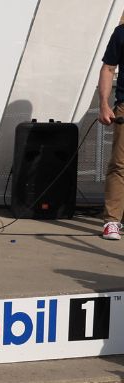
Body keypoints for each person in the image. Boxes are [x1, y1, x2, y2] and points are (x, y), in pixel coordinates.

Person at [98, 16, 124, 241]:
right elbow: (108, 68)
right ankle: (112, 221)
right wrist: (104, 104)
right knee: (120, 164)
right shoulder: (121, 33)